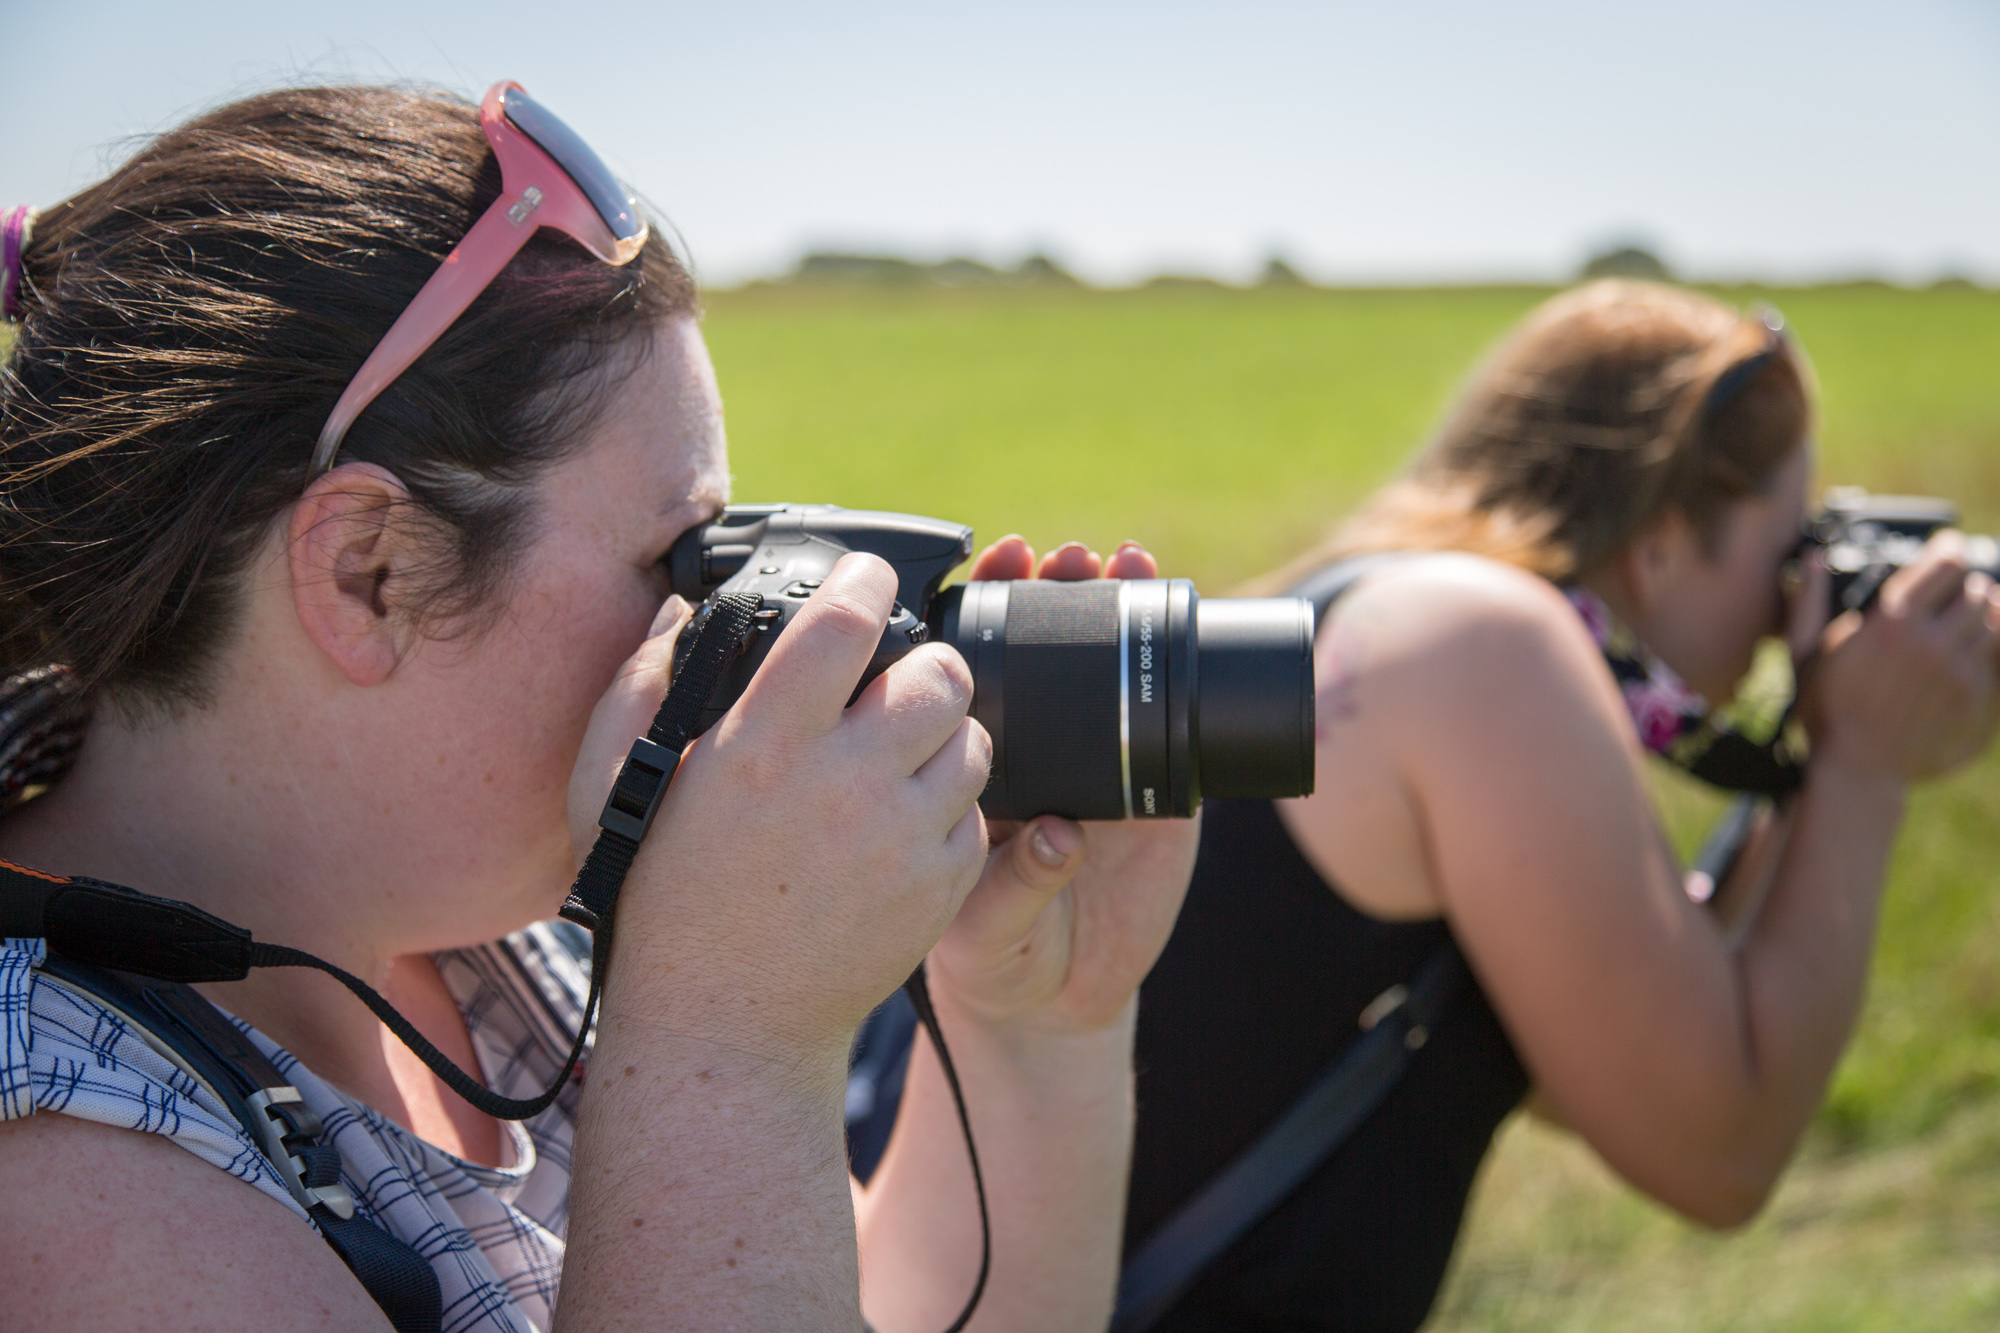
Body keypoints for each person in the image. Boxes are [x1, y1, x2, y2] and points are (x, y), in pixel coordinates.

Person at [0, 83, 1199, 1331]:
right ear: (369, 572)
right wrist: (721, 1040)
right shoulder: (60, 1184)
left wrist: (1032, 1035)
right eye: (677, 560)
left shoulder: (460, 916)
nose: (716, 620)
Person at [1119, 280, 2000, 1331]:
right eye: (1783, 557)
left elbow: (1633, 1023)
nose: (1784, 616)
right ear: (1662, 534)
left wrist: (1819, 744)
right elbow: (1715, 1144)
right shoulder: (1485, 647)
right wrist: (1859, 769)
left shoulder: (1380, 603)